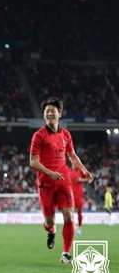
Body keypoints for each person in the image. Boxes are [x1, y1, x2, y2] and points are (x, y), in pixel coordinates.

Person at [29, 97, 93, 263]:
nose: (50, 113)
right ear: (44, 115)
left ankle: (65, 253)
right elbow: (33, 161)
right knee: (49, 221)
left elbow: (72, 156)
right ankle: (51, 230)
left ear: (59, 114)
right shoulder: (38, 136)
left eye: (53, 111)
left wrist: (84, 170)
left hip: (63, 181)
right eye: (47, 111)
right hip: (46, 183)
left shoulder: (66, 134)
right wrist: (50, 173)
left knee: (68, 215)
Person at [68, 165, 93, 236]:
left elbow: (88, 177)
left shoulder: (80, 171)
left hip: (79, 196)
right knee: (70, 213)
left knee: (79, 213)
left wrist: (82, 180)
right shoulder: (68, 171)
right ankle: (74, 227)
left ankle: (79, 227)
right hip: (71, 197)